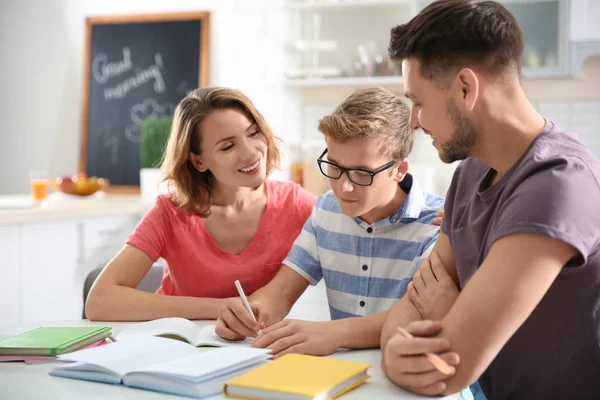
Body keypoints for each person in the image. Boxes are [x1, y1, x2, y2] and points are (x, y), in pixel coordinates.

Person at [380, 1, 600, 399]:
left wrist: (423, 334)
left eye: (418, 102)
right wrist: (395, 345)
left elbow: (448, 366)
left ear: (466, 88)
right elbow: (413, 303)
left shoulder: (557, 183)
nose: (414, 121)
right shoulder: (470, 172)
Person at [215, 86, 446, 364]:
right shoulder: (326, 209)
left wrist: (332, 334)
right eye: (334, 167)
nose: (343, 186)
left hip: (412, 372)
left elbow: (419, 313)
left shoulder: (440, 224)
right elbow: (282, 290)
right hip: (343, 375)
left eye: (362, 173)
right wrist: (249, 313)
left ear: (399, 169)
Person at [85, 87, 315, 321]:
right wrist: (219, 309)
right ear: (198, 160)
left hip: (256, 350)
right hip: (181, 346)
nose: (250, 153)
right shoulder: (169, 213)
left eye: (254, 133)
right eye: (228, 146)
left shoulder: (295, 204)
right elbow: (99, 301)